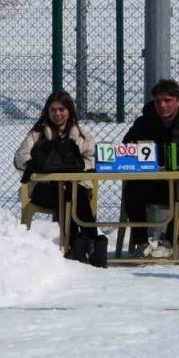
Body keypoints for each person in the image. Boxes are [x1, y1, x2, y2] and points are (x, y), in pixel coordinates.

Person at [119, 78, 179, 259]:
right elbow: (126, 148)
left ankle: (170, 240)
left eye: (167, 100)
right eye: (158, 101)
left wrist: (174, 169)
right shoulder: (143, 122)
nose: (162, 105)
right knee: (132, 188)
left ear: (178, 101)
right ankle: (141, 241)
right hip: (151, 183)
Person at [13, 90, 106, 267]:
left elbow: (93, 157)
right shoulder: (37, 134)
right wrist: (33, 164)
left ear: (69, 110)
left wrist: (80, 166)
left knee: (73, 194)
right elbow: (20, 156)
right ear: (47, 112)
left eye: (61, 109)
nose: (57, 114)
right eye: (53, 110)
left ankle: (86, 244)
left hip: (76, 186)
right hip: (44, 187)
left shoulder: (82, 136)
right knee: (64, 194)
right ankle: (82, 243)